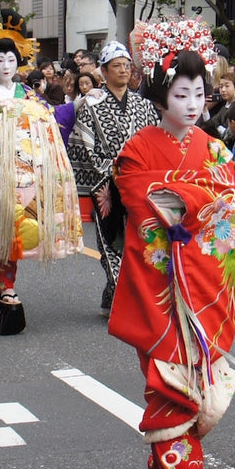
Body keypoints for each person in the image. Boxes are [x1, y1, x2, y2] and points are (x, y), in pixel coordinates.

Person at [111, 26, 235, 469]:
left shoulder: (216, 148)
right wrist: (198, 198)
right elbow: (142, 202)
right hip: (158, 285)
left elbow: (228, 210)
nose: (192, 104)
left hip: (205, 285)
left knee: (195, 386)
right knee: (169, 387)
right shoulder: (138, 148)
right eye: (181, 93)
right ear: (161, 93)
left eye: (200, 94)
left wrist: (187, 198)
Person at [0, 9, 83, 335]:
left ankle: (1, 287)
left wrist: (77, 105)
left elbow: (50, 118)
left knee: (19, 229)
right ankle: (3, 287)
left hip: (24, 174)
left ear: (19, 62)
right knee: (1, 230)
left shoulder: (28, 94)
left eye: (11, 60)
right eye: (0, 60)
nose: (6, 66)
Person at [74, 41, 159, 315]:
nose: (123, 71)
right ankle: (120, 288)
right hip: (106, 183)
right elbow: (84, 143)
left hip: (141, 181)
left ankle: (116, 293)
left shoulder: (144, 105)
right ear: (103, 71)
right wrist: (107, 169)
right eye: (116, 66)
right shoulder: (91, 105)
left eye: (126, 65)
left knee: (140, 237)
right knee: (110, 238)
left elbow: (156, 140)